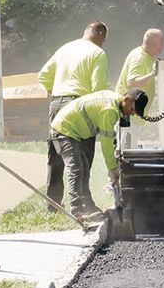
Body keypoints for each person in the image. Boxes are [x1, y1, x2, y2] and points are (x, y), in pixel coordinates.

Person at [38, 22, 109, 209]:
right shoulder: (97, 53)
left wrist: (54, 91)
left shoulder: (65, 48)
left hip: (57, 103)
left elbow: (44, 75)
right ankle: (83, 202)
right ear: (100, 34)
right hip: (80, 106)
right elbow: (98, 90)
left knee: (56, 154)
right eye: (104, 39)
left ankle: (53, 203)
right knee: (83, 156)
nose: (104, 43)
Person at [49, 88, 148, 221]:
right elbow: (106, 144)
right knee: (76, 168)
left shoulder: (114, 102)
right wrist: (112, 169)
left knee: (84, 169)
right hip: (63, 130)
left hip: (72, 132)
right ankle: (77, 211)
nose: (132, 114)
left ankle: (89, 207)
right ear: (127, 100)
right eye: (132, 110)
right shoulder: (109, 110)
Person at [116, 28, 164, 150]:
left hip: (134, 114)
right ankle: (121, 169)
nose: (163, 47)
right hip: (129, 112)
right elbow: (132, 83)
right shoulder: (139, 58)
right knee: (126, 149)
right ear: (153, 44)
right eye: (161, 43)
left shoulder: (145, 56)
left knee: (129, 146)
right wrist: (154, 74)